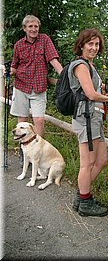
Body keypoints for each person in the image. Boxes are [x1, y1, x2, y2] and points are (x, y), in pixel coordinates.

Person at [69, 28, 108, 217]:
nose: (94, 47)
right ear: (81, 45)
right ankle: (85, 202)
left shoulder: (89, 66)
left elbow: (94, 86)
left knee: (101, 160)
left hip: (94, 118)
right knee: (88, 163)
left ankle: (81, 196)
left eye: (97, 44)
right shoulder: (80, 65)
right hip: (86, 118)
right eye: (90, 43)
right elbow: (91, 94)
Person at [10, 15, 63, 163]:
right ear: (24, 28)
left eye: (36, 27)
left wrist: (64, 76)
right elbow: (14, 66)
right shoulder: (19, 45)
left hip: (39, 87)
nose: (33, 29)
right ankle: (24, 153)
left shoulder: (44, 40)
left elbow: (53, 59)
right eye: (30, 27)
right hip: (21, 85)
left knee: (39, 120)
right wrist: (8, 72)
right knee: (22, 120)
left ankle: (38, 154)